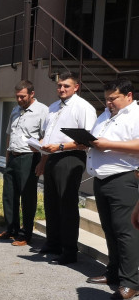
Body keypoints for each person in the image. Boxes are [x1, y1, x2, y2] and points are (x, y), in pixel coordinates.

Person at [83, 79, 139, 300]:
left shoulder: (135, 115)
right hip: (102, 179)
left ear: (128, 96)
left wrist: (109, 145)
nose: (108, 103)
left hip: (123, 178)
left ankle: (131, 282)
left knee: (126, 232)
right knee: (109, 229)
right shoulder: (105, 115)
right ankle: (113, 272)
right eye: (106, 99)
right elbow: (98, 140)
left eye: (113, 98)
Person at [36, 72, 97, 265]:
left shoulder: (83, 107)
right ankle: (53, 242)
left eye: (66, 86)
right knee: (51, 202)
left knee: (67, 205)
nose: (61, 89)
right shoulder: (53, 107)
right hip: (52, 156)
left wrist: (60, 147)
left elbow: (87, 141)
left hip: (71, 158)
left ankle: (69, 250)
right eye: (59, 85)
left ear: (76, 87)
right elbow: (49, 136)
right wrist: (42, 157)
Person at [0, 80, 48, 247]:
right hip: (13, 156)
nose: (19, 100)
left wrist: (42, 161)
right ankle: (11, 229)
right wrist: (7, 156)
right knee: (9, 195)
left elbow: (46, 138)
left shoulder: (42, 111)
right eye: (17, 96)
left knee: (27, 197)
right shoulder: (15, 110)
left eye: (22, 96)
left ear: (32, 94)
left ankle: (26, 234)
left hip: (29, 158)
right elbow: (10, 134)